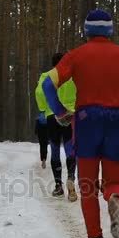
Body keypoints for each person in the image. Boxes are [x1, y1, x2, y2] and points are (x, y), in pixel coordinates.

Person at [42, 9, 119, 238]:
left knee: (88, 185)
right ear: (110, 30)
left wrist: (59, 111)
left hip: (87, 120)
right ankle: (114, 197)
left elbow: (48, 84)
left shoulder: (76, 56)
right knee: (113, 181)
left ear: (87, 30)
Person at [35, 53, 78, 201]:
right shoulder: (73, 76)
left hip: (52, 116)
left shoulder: (46, 76)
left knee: (54, 149)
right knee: (70, 148)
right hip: (71, 115)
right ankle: (71, 177)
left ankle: (58, 186)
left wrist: (43, 108)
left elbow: (39, 92)